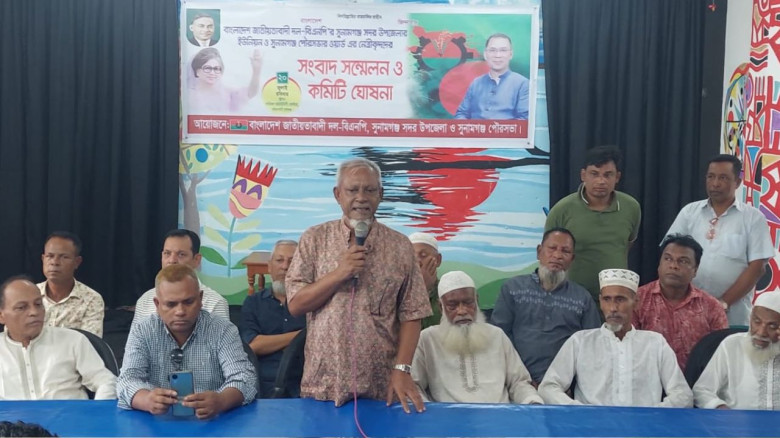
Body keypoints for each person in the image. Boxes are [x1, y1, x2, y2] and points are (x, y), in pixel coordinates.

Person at [286, 158, 431, 412]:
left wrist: (402, 369)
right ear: (338, 194)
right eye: (353, 190)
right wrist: (339, 273)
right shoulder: (314, 239)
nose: (361, 198)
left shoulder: (400, 246)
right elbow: (296, 305)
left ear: (380, 194)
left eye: (370, 190)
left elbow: (413, 313)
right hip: (324, 383)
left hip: (380, 384)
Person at [117, 264, 257, 419]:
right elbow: (127, 380)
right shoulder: (143, 330)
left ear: (200, 299)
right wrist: (146, 400)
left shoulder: (222, 329)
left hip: (213, 422)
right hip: (156, 423)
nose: (180, 311)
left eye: (188, 302)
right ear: (157, 304)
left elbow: (245, 378)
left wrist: (221, 400)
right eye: (171, 304)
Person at [538, 269, 692, 407]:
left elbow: (682, 395)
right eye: (607, 299)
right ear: (600, 302)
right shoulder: (581, 341)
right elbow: (549, 387)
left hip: (643, 426)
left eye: (620, 299)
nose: (613, 308)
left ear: (636, 302)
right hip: (592, 425)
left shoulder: (655, 343)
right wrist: (578, 410)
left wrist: (653, 415)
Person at [664, 154, 774, 326]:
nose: (715, 183)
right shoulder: (690, 212)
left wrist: (722, 303)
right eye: (711, 177)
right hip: (686, 309)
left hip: (732, 312)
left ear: (737, 182)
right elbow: (669, 252)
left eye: (723, 178)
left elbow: (757, 268)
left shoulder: (753, 218)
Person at [412, 271, 543, 404]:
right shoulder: (428, 339)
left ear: (477, 301)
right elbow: (413, 385)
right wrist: (429, 412)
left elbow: (519, 382)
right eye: (452, 305)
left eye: (468, 302)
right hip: (447, 416)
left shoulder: (497, 335)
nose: (462, 311)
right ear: (441, 307)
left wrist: (532, 402)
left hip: (498, 414)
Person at [491, 228, 601, 385]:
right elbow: (499, 337)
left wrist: (570, 383)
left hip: (564, 385)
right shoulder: (512, 289)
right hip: (518, 381)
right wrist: (519, 377)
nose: (557, 255)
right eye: (552, 248)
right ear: (539, 252)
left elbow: (591, 346)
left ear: (572, 259)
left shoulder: (582, 298)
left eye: (565, 251)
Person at [545, 146, 641, 300]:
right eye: (594, 174)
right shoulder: (562, 210)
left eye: (608, 175)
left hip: (614, 300)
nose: (601, 181)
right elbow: (548, 255)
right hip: (571, 299)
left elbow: (626, 246)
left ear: (617, 177)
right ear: (583, 175)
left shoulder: (631, 207)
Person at [0, 276, 116, 400]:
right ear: (1, 316)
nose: (34, 312)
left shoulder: (73, 340)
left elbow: (107, 382)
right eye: (22, 307)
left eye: (38, 304)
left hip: (70, 412)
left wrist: (98, 410)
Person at [634, 234, 729, 370]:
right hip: (649, 378)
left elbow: (721, 355)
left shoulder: (711, 307)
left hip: (696, 380)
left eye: (683, 261)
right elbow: (627, 348)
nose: (674, 266)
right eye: (668, 259)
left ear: (695, 270)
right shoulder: (637, 300)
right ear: (659, 265)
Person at [693, 291, 780, 410]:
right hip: (736, 420)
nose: (761, 332)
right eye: (757, 321)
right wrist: (721, 408)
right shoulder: (731, 345)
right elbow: (702, 390)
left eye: (772, 326)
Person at [240, 239, 306, 398]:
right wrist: (303, 335)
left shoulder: (311, 303)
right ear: (269, 267)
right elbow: (253, 346)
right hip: (262, 385)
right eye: (279, 260)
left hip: (304, 384)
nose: (285, 267)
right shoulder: (253, 303)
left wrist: (272, 343)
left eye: (292, 261)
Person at [132, 229, 228, 326]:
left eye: (181, 254)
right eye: (167, 253)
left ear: (196, 260)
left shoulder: (215, 303)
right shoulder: (145, 301)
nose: (172, 260)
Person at [37, 231, 104, 337]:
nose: (55, 262)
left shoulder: (91, 299)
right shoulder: (29, 295)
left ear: (77, 262)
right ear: (43, 259)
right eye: (50, 256)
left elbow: (89, 344)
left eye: (64, 257)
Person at [455, 33, 529, 120]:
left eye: (503, 50)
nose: (497, 55)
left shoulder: (522, 84)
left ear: (511, 54)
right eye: (492, 50)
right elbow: (461, 113)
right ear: (485, 55)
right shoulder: (476, 83)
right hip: (475, 128)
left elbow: (524, 119)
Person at [188, 47, 263, 114]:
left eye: (216, 69)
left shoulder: (228, 94)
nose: (212, 73)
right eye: (207, 68)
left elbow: (250, 93)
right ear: (197, 71)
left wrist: (256, 70)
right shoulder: (189, 96)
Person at [408, 232, 442, 329]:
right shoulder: (396, 293)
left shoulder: (447, 293)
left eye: (423, 255)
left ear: (438, 260)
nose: (417, 261)